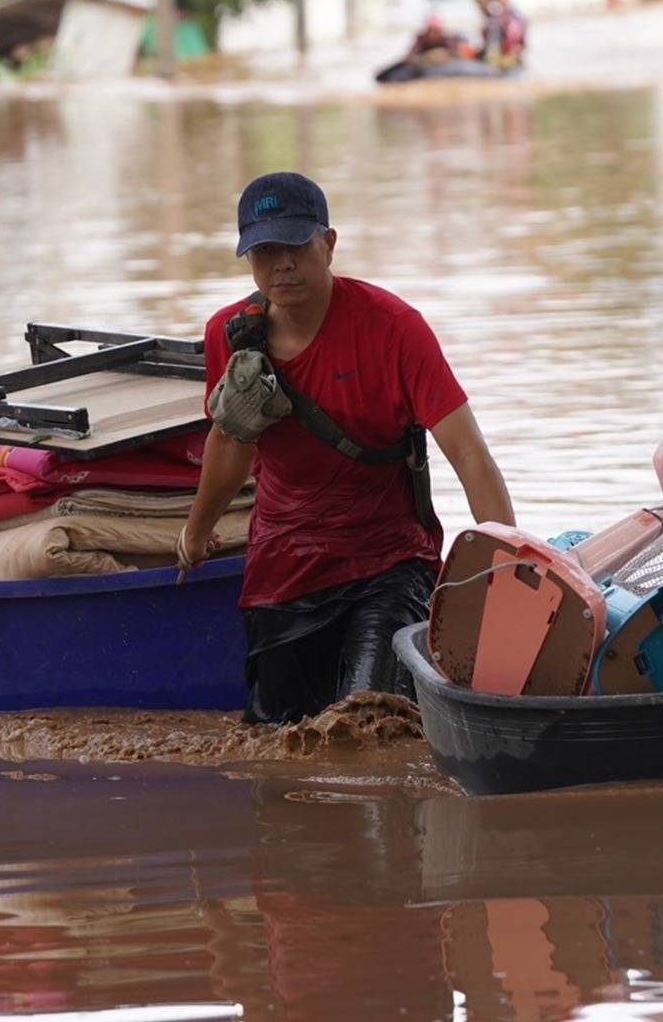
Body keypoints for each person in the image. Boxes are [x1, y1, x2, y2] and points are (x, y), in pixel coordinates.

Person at [180, 172, 515, 724]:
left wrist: (510, 568)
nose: (282, 264)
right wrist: (196, 532)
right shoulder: (231, 335)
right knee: (277, 742)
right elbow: (230, 444)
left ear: (328, 243)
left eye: (295, 245)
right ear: (246, 257)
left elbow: (470, 456)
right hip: (283, 568)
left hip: (389, 563)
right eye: (265, 250)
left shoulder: (394, 328)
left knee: (370, 722)